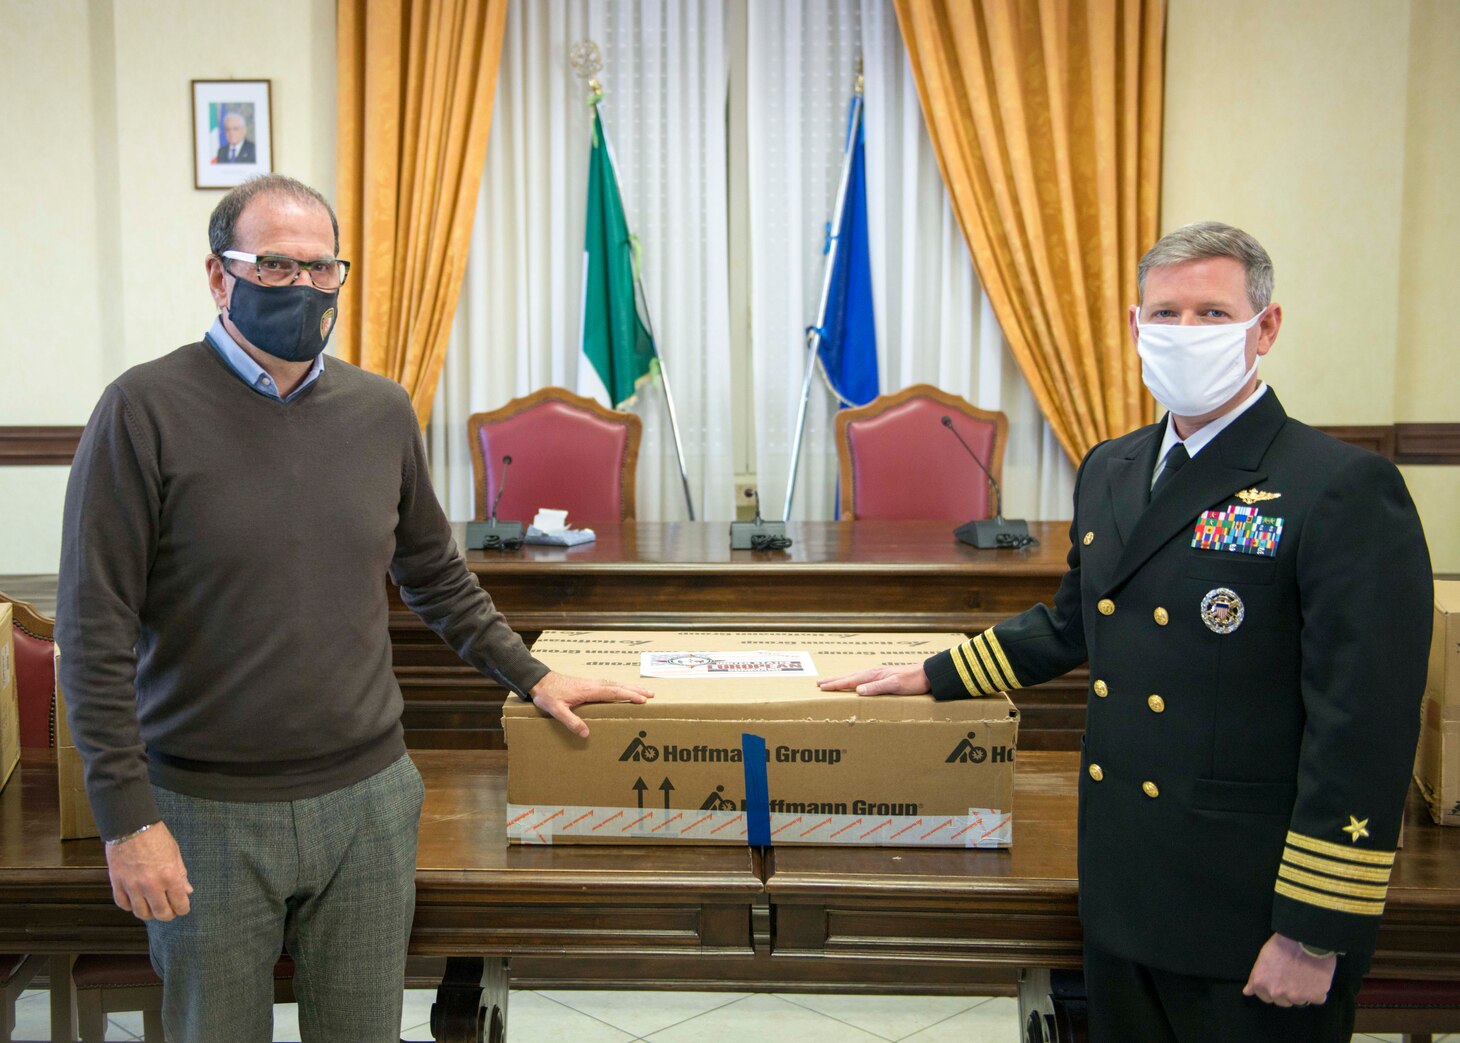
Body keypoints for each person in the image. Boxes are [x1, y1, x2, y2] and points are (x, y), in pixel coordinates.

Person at [55, 173, 650, 1042]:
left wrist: (534, 674)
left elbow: (437, 577)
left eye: (321, 269)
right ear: (220, 277)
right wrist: (126, 820)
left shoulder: (381, 411)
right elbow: (93, 631)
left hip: (368, 804)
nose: (302, 287)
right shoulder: (141, 411)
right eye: (275, 266)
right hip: (204, 813)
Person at [820, 222, 1432, 1042]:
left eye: (1213, 314)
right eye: (1165, 313)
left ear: (1267, 328)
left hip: (1248, 916)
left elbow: (1364, 730)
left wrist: (1314, 930)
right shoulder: (1112, 465)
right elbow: (1076, 619)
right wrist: (938, 672)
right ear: (1135, 326)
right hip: (1123, 891)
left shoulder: (1339, 487)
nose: (1186, 334)